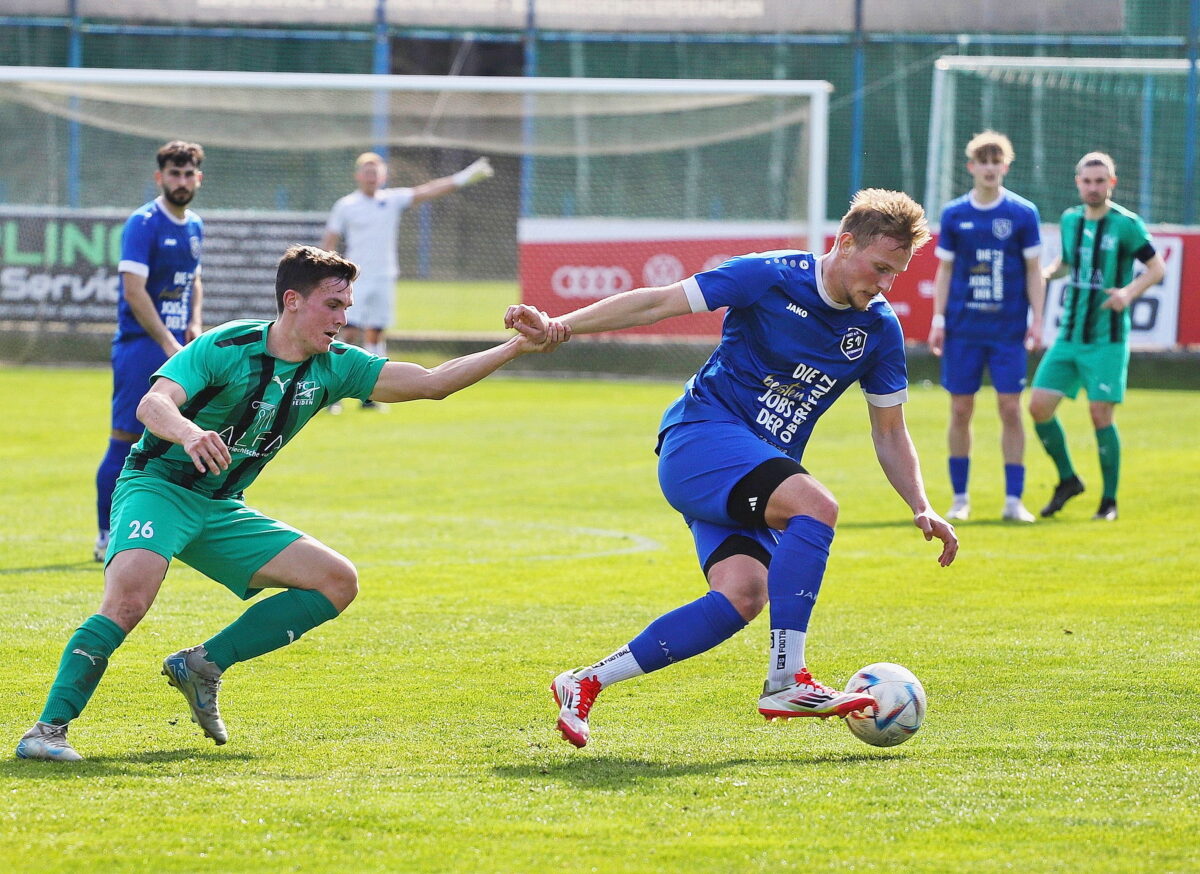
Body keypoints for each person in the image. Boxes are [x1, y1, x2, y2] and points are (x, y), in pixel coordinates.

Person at [16, 245, 563, 762]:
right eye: (333, 304)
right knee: (128, 602)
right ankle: (46, 732)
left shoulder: (334, 364)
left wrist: (516, 347)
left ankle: (202, 665)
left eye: (347, 306)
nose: (343, 318)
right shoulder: (227, 346)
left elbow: (431, 382)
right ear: (292, 300)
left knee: (337, 581)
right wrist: (189, 433)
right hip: (158, 487)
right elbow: (153, 404)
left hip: (221, 504)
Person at [516, 189, 959, 749]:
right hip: (699, 439)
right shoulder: (768, 275)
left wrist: (921, 504)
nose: (886, 285)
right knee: (817, 506)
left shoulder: (877, 331)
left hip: (751, 473)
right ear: (846, 244)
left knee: (744, 595)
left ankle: (584, 682)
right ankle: (787, 680)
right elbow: (658, 303)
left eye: (896, 274)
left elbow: (890, 431)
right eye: (880, 268)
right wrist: (560, 325)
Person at [1029, 152, 1165, 521]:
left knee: (1099, 413)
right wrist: (1046, 273)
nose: (1093, 187)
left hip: (1107, 339)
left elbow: (1157, 268)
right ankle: (1068, 479)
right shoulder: (1070, 220)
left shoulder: (1126, 224)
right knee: (1038, 407)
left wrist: (1127, 293)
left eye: (1100, 181)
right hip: (1069, 335)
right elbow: (1066, 264)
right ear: (1078, 183)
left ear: (1112, 183)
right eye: (1087, 181)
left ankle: (1108, 502)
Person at [94, 140, 206, 561]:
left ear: (198, 178)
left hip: (179, 347)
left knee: (182, 437)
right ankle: (106, 534)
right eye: (174, 174)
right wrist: (166, 341)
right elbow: (133, 290)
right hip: (141, 347)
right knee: (125, 438)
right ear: (160, 177)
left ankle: (166, 529)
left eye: (188, 174)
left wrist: (195, 324)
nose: (181, 181)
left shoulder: (195, 225)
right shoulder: (143, 223)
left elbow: (194, 280)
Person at [927, 131, 1046, 524]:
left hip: (1007, 330)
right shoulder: (955, 214)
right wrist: (938, 319)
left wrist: (1037, 319)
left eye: (997, 161)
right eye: (984, 161)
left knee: (1011, 408)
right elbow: (945, 271)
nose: (990, 168)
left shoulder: (1023, 213)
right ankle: (960, 498)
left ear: (1005, 166)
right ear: (972, 167)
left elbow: (1034, 270)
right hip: (963, 329)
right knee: (961, 409)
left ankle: (1014, 500)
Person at [320, 151, 494, 409]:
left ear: (383, 177)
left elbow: (427, 190)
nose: (371, 177)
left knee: (375, 333)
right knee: (348, 331)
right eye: (367, 172)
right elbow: (330, 240)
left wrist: (463, 178)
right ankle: (333, 394)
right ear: (358, 176)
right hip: (355, 278)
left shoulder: (391, 200)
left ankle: (371, 396)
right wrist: (328, 273)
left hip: (384, 276)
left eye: (375, 172)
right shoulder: (346, 205)